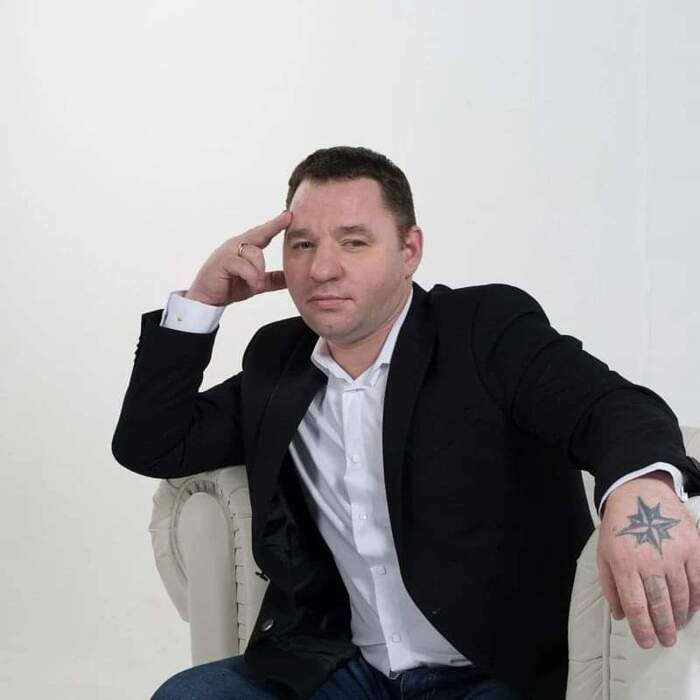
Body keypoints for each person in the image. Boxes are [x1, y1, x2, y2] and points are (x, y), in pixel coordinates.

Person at [112, 146, 700, 700]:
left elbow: (612, 407)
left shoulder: (483, 329)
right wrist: (202, 302)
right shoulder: (279, 361)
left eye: (354, 242)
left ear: (409, 251)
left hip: (497, 671)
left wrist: (641, 489)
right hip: (346, 670)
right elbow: (153, 443)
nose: (322, 269)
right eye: (302, 245)